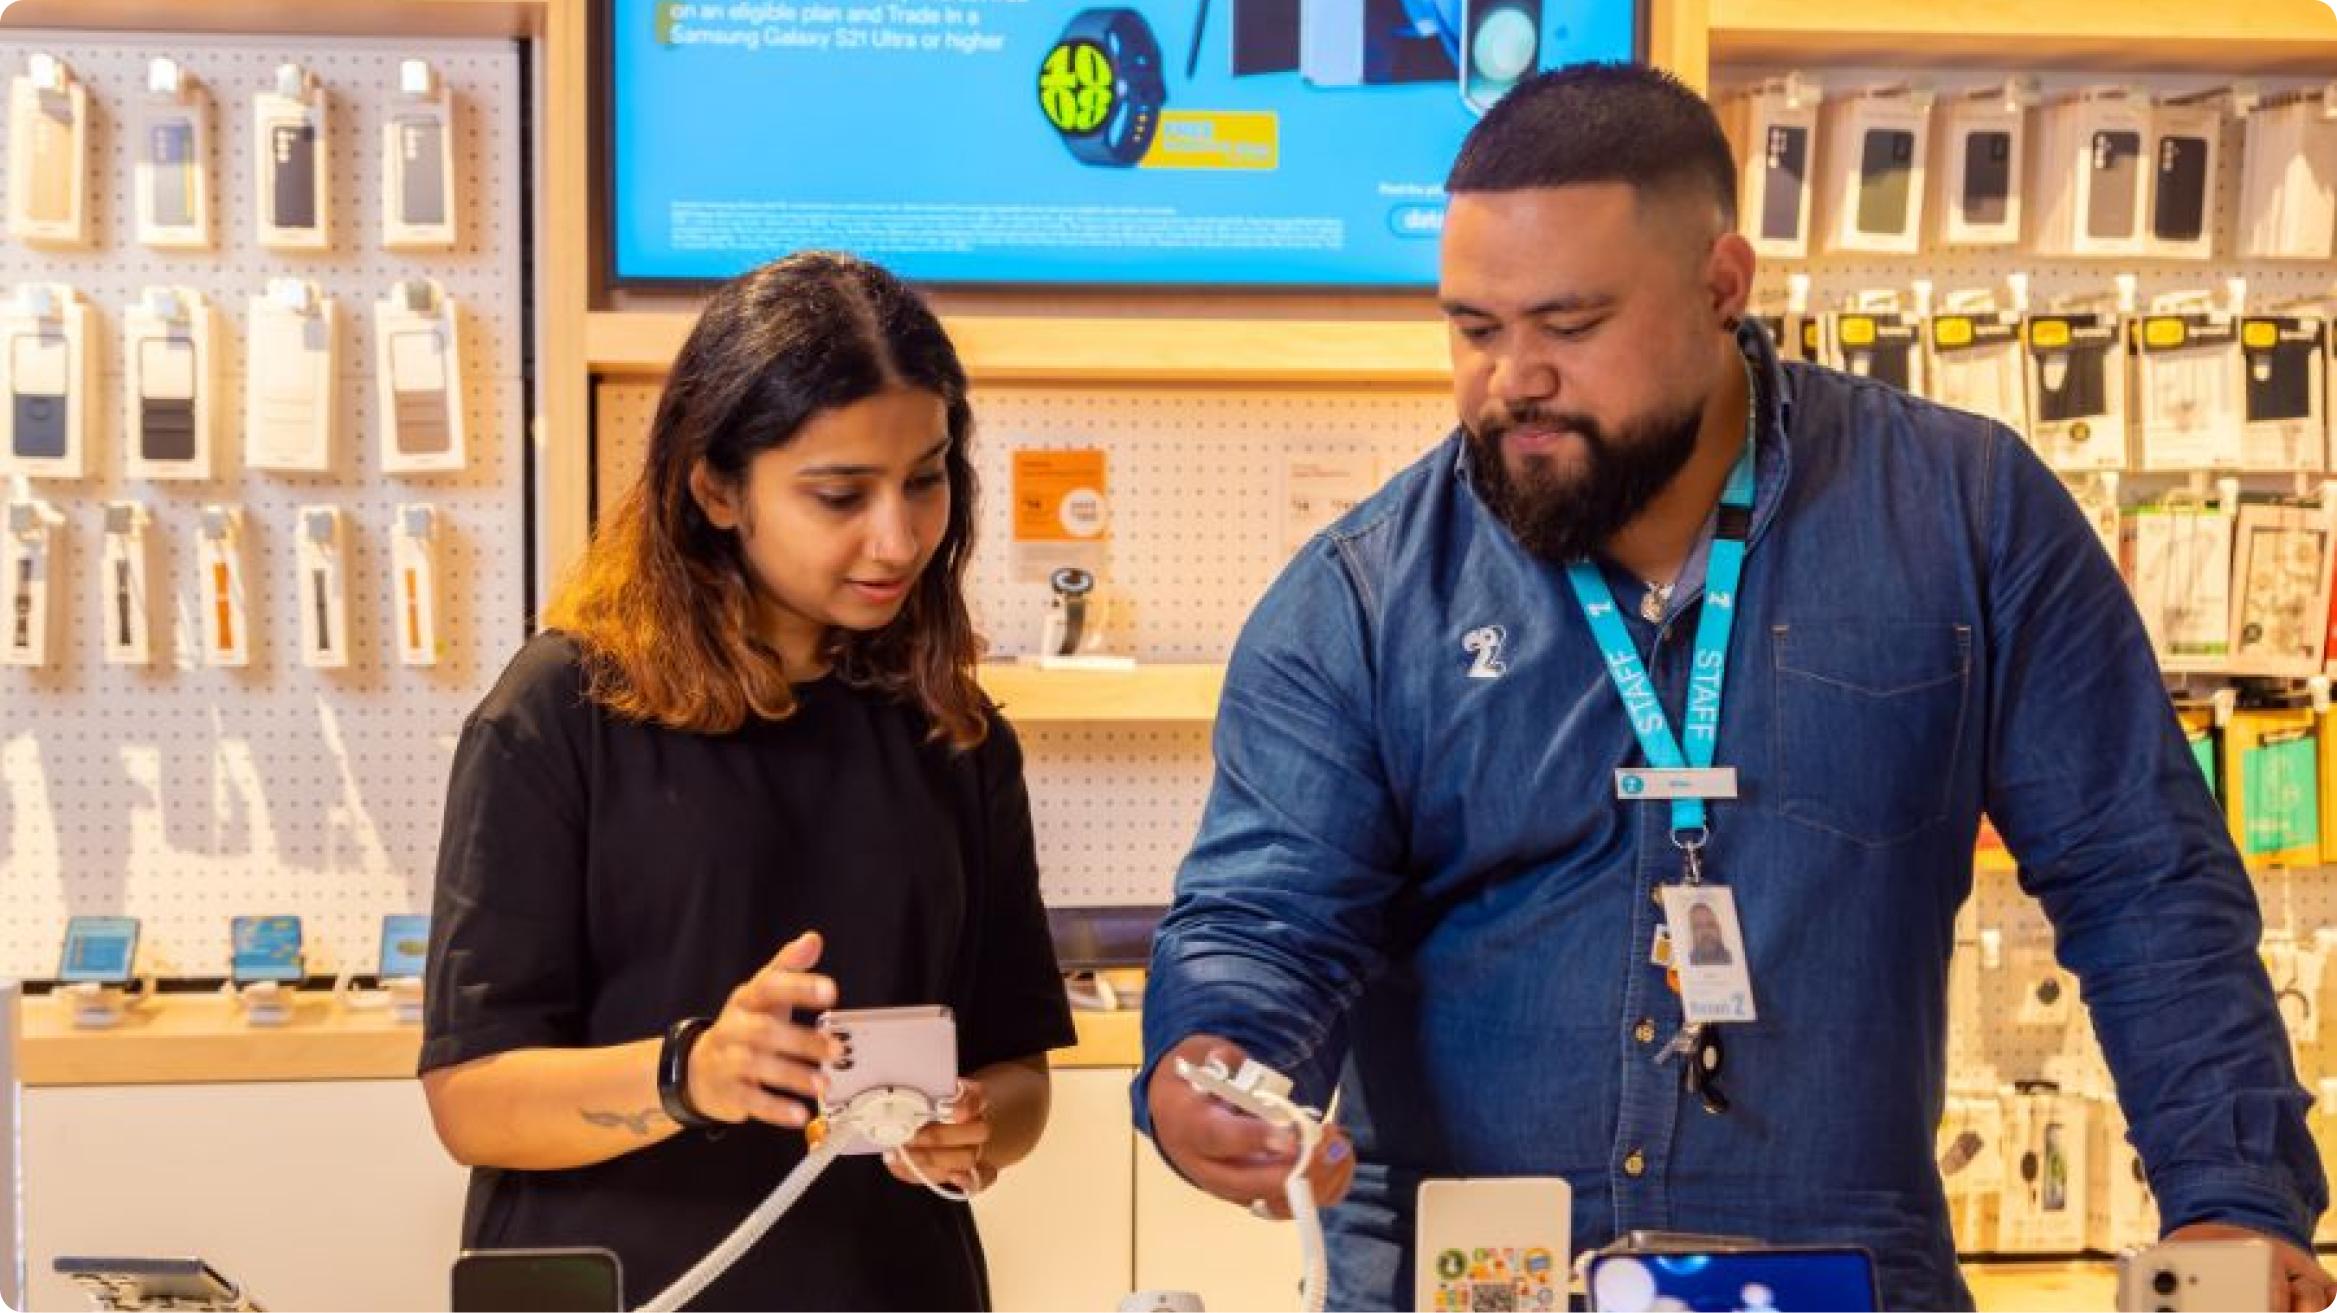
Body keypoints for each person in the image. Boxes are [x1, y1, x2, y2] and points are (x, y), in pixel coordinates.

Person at [1137, 63, 2332, 1312]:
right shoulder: (1368, 595)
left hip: (1840, 1273)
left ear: (1723, 286)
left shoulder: (1965, 518)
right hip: (1471, 1280)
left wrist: (2229, 1197)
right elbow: (1265, 916)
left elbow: (2144, 881)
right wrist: (1209, 1061)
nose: (1514, 379)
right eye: (1475, 329)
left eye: (1569, 325)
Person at [419, 252, 1075, 1310]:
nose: (899, 535)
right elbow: (473, 1100)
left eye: (926, 476)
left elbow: (1020, 1071)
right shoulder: (560, 713)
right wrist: (693, 1072)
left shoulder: (954, 732)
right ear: (715, 486)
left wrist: (975, 1120)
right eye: (838, 494)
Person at [1685, 902, 1731, 968]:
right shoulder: (1684, 963)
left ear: (1719, 929)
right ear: (1692, 933)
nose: (1706, 932)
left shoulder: (1731, 958)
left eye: (1710, 925)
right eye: (1698, 927)